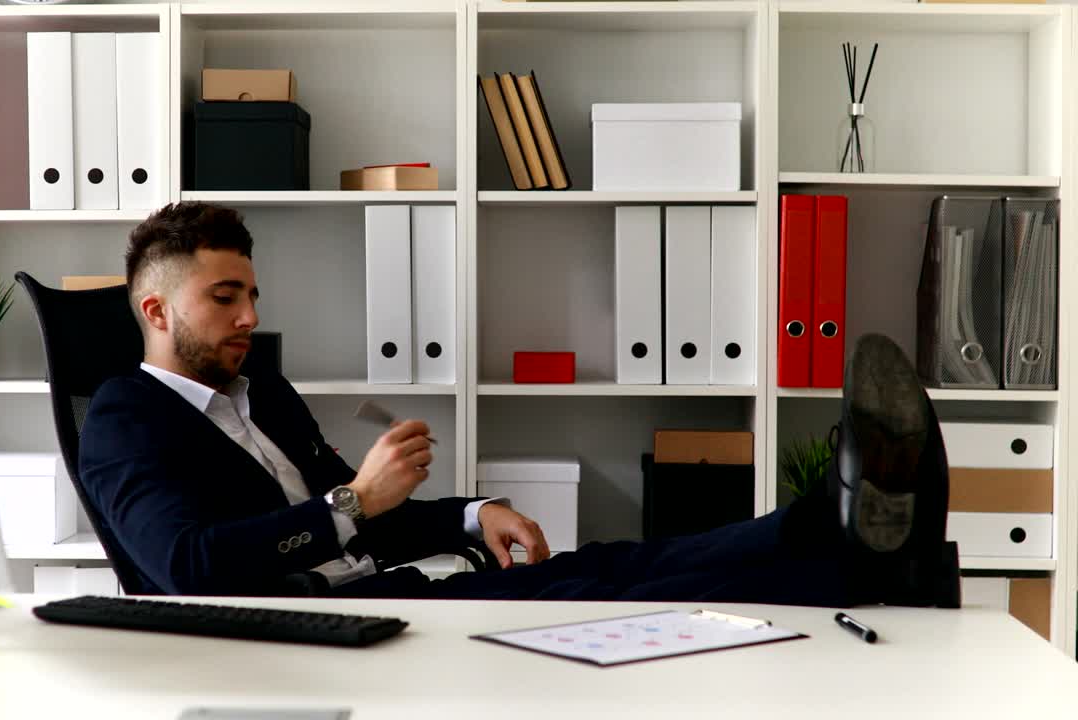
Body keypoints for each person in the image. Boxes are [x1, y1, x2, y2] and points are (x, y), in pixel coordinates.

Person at [78, 201, 961, 607]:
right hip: (323, 628)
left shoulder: (263, 391)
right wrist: (355, 500)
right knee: (604, 595)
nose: (252, 316)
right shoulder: (126, 418)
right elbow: (187, 566)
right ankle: (864, 557)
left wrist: (468, 514)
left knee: (611, 563)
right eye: (225, 298)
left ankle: (841, 533)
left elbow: (370, 522)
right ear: (155, 311)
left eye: (252, 294)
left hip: (389, 593)